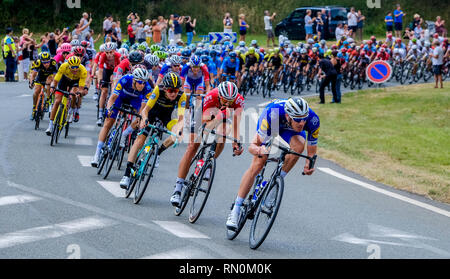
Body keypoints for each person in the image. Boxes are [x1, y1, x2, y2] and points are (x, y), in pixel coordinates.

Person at [226, 97, 319, 230]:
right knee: (259, 162)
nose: (302, 123)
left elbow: (311, 153)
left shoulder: (312, 120)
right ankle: (236, 209)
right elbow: (252, 147)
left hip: (289, 129)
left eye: (304, 118)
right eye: (298, 119)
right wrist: (260, 150)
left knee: (299, 148)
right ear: (288, 115)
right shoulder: (273, 114)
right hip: (274, 123)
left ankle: (273, 185)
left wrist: (309, 164)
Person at [170, 81, 244, 207]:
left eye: (230, 101)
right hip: (206, 114)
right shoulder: (212, 96)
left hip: (222, 115)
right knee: (192, 147)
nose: (227, 103)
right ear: (220, 96)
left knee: (223, 134)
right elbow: (205, 128)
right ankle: (178, 188)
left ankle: (209, 163)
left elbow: (236, 125)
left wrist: (235, 143)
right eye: (225, 100)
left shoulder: (238, 101)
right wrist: (219, 117)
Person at [119, 72, 185, 188]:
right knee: (140, 139)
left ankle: (158, 152)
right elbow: (145, 110)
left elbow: (181, 117)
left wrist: (178, 130)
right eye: (170, 90)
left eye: (176, 90)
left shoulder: (181, 95)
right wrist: (144, 119)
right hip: (152, 113)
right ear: (165, 89)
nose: (174, 93)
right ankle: (127, 173)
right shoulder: (158, 90)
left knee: (178, 133)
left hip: (167, 117)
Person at [91, 68, 151, 167]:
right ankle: (97, 154)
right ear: (134, 80)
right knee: (108, 122)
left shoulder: (147, 88)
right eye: (140, 82)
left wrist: (140, 119)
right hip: (121, 97)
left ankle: (124, 133)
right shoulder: (125, 79)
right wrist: (109, 109)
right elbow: (113, 98)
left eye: (144, 82)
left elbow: (142, 109)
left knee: (140, 118)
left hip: (135, 100)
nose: (142, 85)